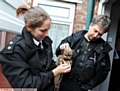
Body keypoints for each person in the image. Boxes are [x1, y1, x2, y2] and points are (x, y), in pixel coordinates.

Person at [0, 5, 71, 91]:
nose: (47, 34)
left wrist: (59, 63)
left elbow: (46, 65)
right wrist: (54, 72)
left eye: (48, 30)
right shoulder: (15, 51)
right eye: (43, 30)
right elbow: (26, 86)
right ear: (29, 27)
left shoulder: (44, 42)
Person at [56, 14, 112, 91]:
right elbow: (58, 53)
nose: (96, 35)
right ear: (90, 25)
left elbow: (104, 71)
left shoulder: (102, 49)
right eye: (95, 31)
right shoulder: (74, 39)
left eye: (100, 34)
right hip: (66, 83)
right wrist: (62, 48)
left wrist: (90, 85)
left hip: (84, 88)